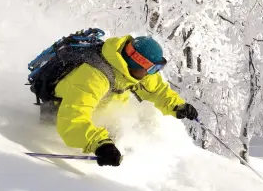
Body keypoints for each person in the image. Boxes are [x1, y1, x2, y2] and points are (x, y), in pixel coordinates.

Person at [53, 34, 198, 167]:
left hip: (100, 116)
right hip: (61, 117)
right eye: (153, 68)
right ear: (137, 63)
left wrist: (177, 106)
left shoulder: (132, 71)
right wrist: (100, 145)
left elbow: (157, 89)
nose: (152, 73)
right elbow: (72, 119)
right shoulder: (93, 78)